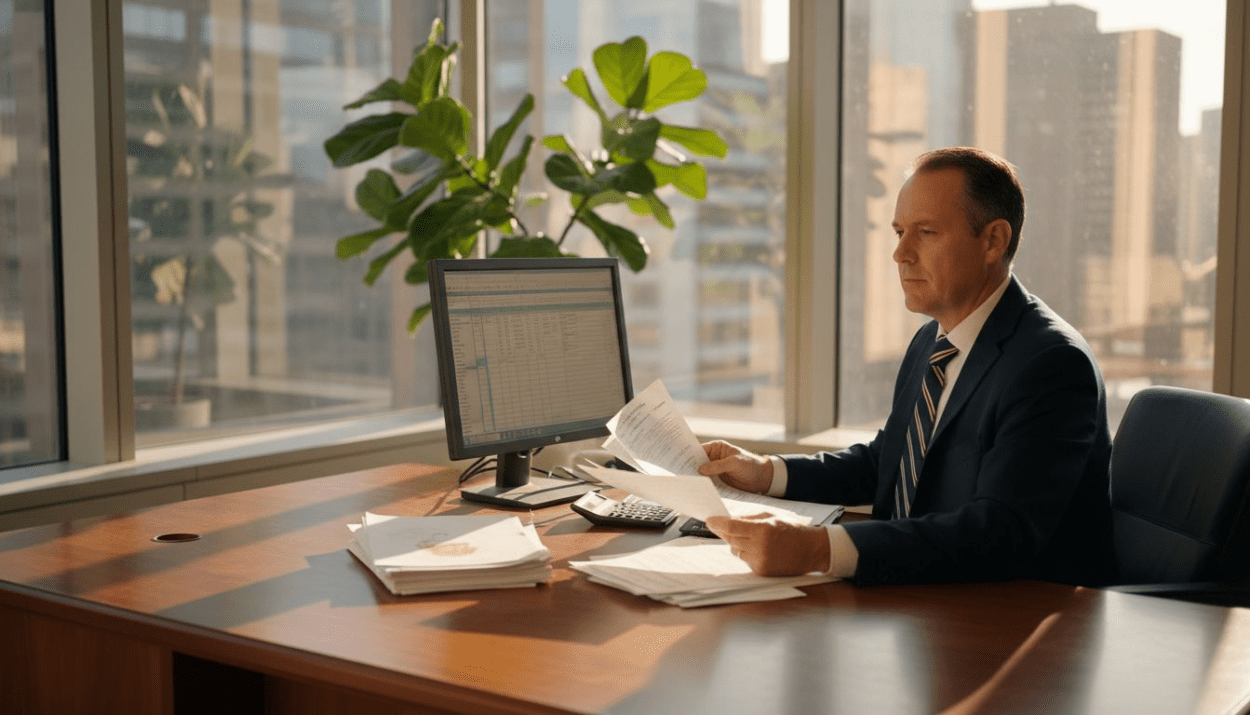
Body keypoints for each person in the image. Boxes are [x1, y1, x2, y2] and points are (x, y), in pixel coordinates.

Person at [701, 147, 1115, 586]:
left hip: (1013, 621)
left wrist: (819, 548)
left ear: (994, 240)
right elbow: (890, 462)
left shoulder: (1051, 364)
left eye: (926, 232)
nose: (901, 254)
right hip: (923, 599)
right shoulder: (931, 342)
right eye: (899, 231)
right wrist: (764, 472)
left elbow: (1001, 531)